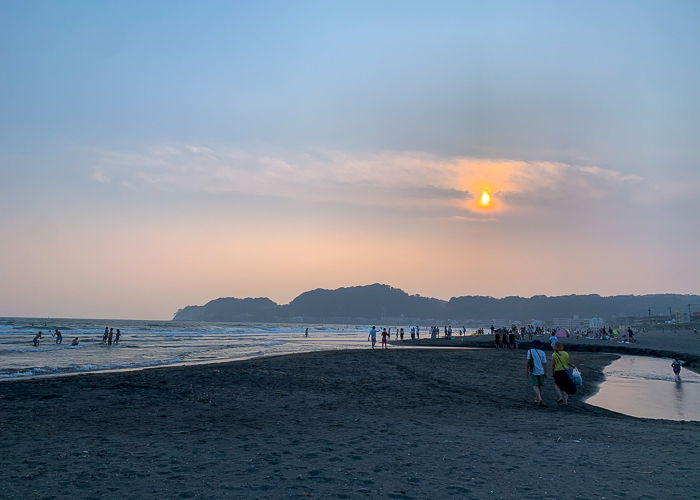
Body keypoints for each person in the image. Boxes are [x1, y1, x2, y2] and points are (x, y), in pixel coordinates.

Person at [526, 340, 547, 406]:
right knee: (539, 386)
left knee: (535, 385)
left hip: (533, 370)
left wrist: (526, 370)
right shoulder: (543, 352)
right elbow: (545, 364)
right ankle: (537, 398)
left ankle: (540, 399)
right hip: (541, 371)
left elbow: (528, 362)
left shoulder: (530, 351)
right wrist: (546, 372)